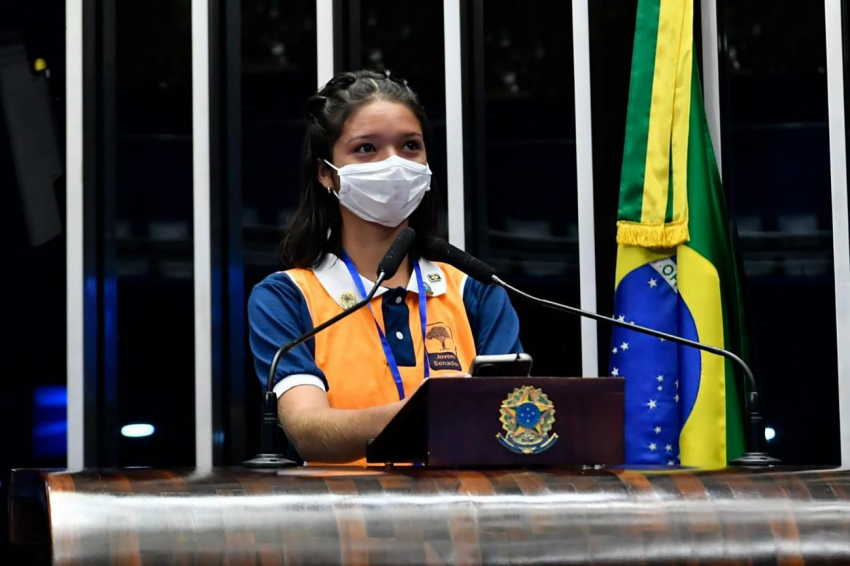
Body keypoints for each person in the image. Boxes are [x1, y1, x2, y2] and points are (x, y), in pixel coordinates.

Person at [248, 70, 522, 464]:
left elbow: (507, 424)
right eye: (366, 149)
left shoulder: (477, 290)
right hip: (342, 519)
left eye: (410, 146)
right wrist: (425, 412)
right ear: (326, 174)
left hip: (461, 515)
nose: (394, 164)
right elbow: (308, 430)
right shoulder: (286, 296)